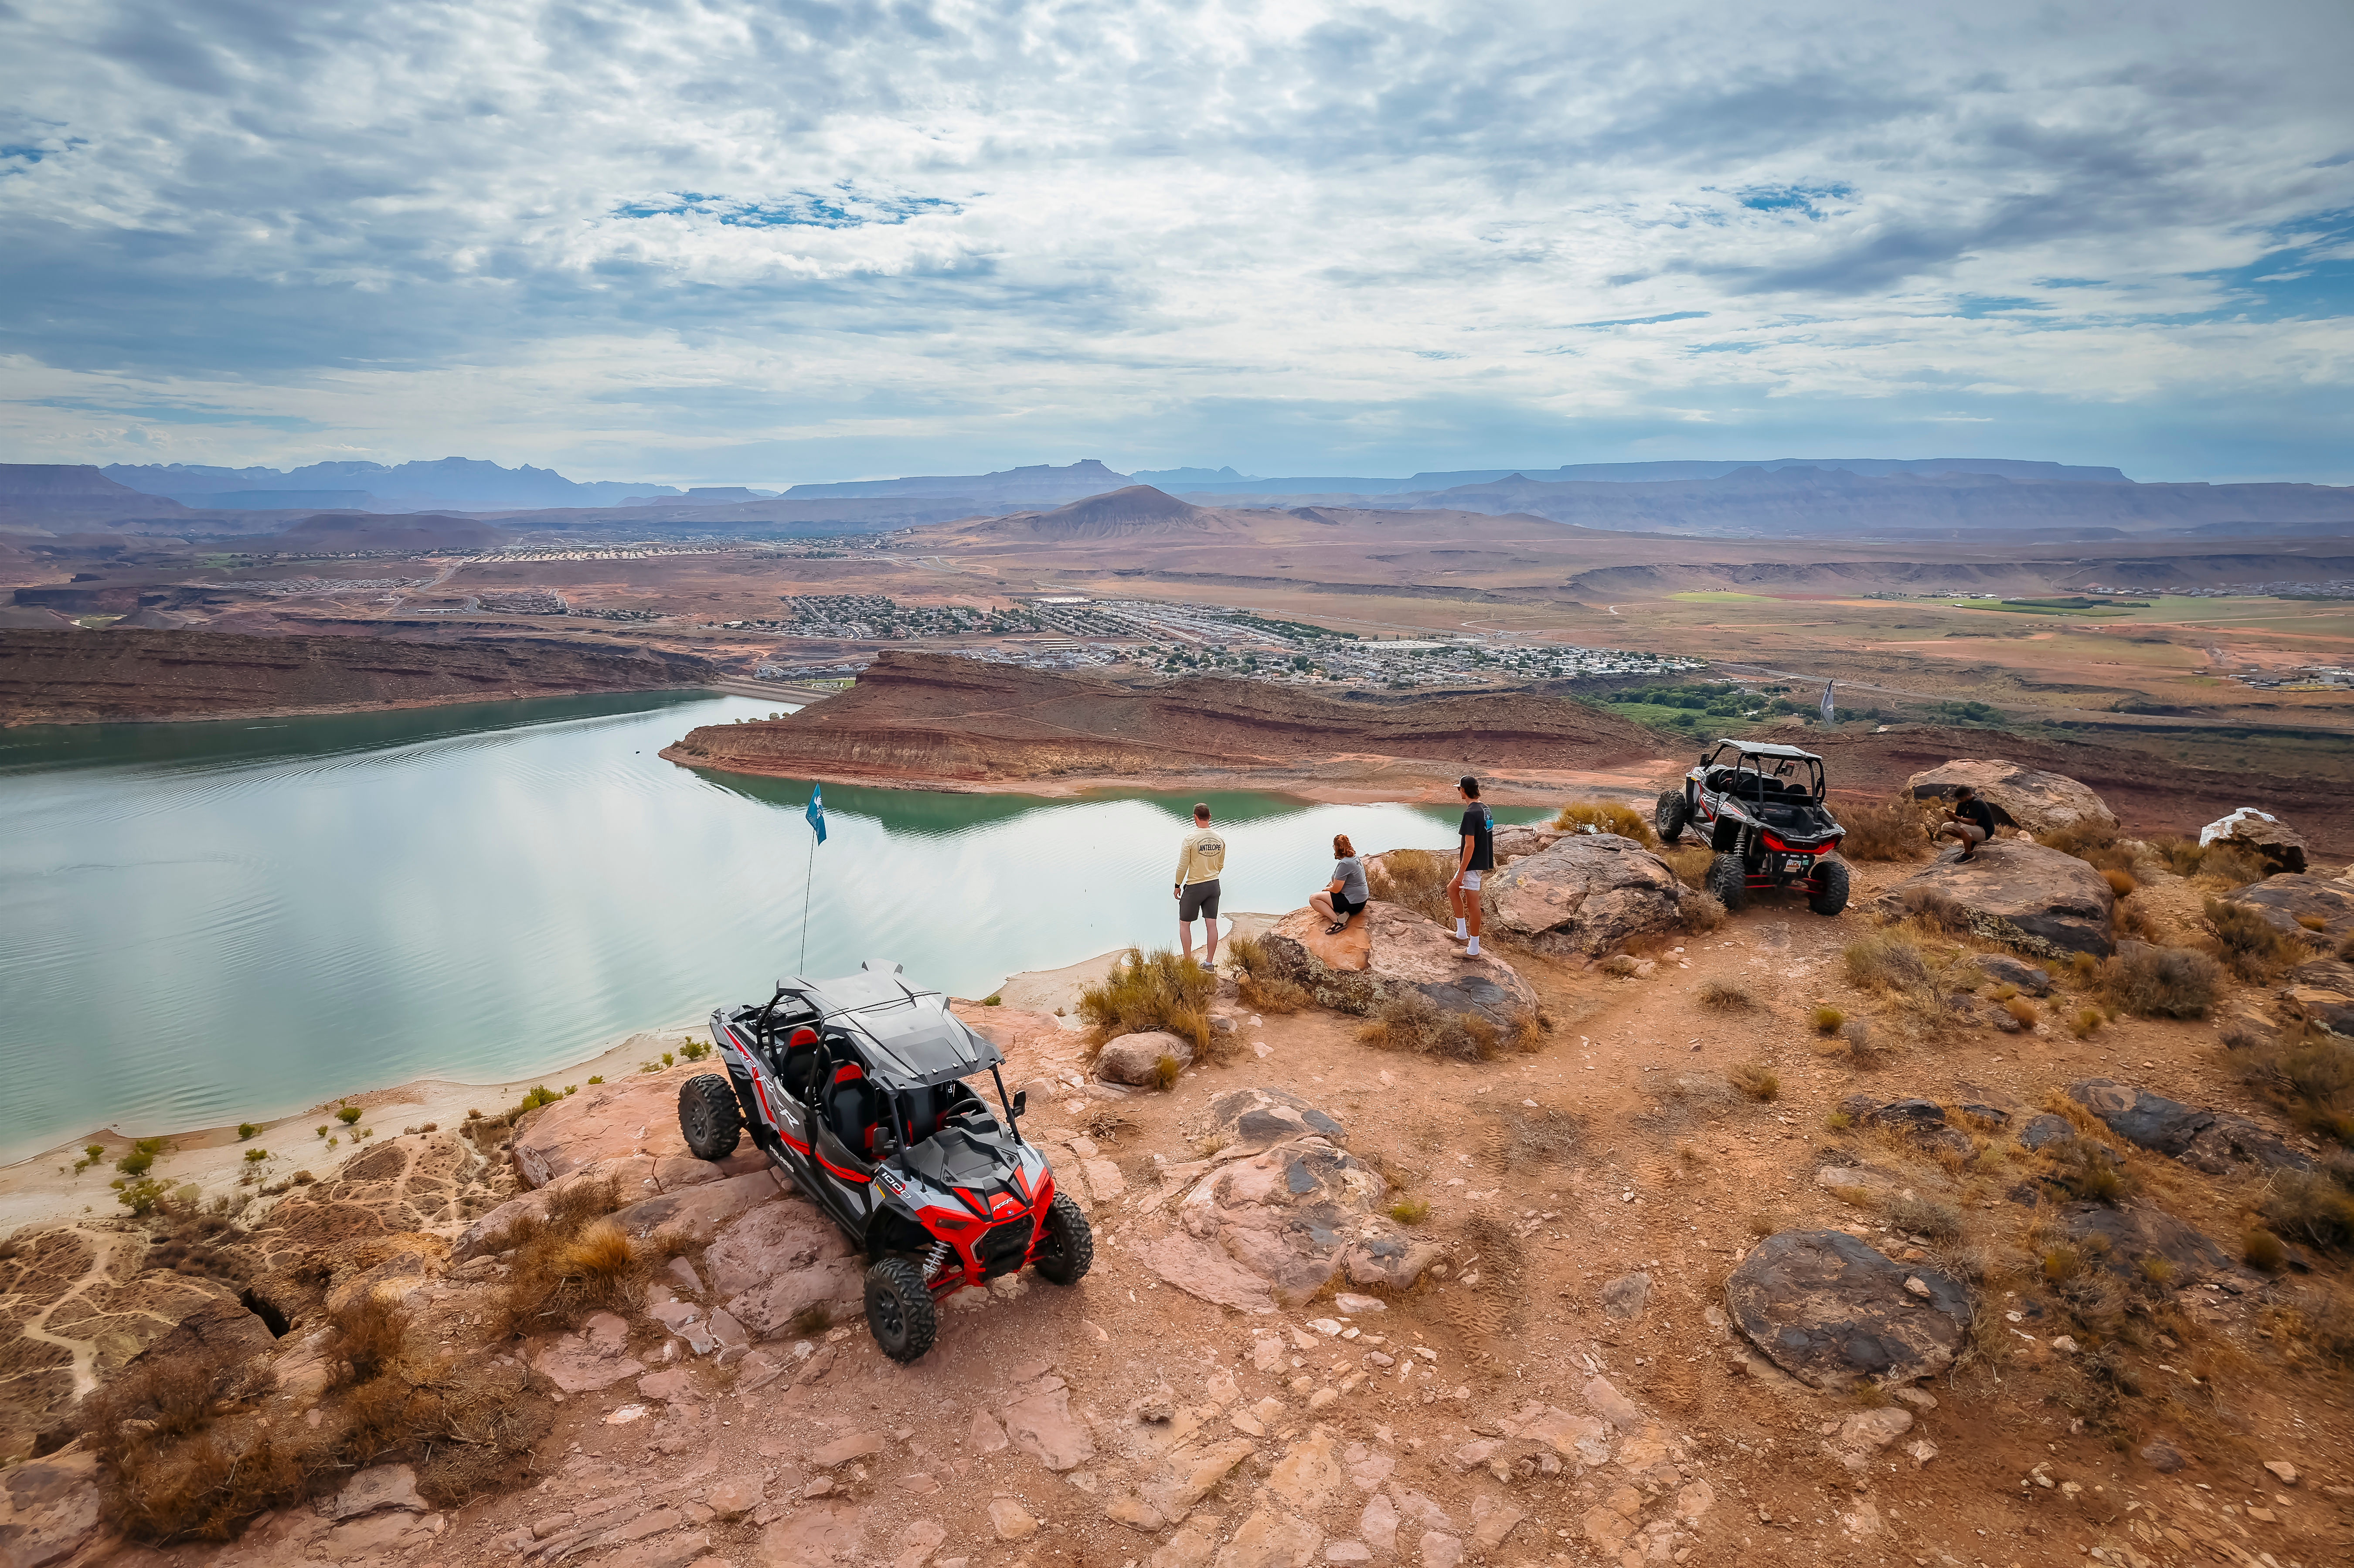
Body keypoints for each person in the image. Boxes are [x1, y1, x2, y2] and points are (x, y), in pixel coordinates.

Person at [1174, 802, 1227, 965]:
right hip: (1213, 885)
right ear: (1209, 817)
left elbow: (1183, 866)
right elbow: (1220, 865)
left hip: (1195, 887)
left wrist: (1177, 885)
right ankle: (1209, 963)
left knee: (1184, 924)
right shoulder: (1220, 839)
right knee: (1212, 925)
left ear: (1195, 817)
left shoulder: (1190, 839)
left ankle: (1188, 962)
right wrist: (1212, 874)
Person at [1449, 775, 1493, 958]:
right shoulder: (1486, 809)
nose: (1459, 791)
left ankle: (1473, 949)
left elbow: (1470, 846)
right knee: (1452, 890)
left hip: (1472, 865)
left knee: (1473, 905)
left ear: (1463, 790)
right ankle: (1461, 934)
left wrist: (1462, 871)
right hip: (1481, 862)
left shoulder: (1470, 814)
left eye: (1459, 789)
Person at [1310, 833, 1370, 935]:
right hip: (1362, 901)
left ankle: (1338, 921)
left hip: (1353, 904)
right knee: (1326, 896)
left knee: (1314, 898)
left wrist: (1328, 889)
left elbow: (1336, 890)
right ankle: (1342, 912)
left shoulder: (1345, 864)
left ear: (1336, 848)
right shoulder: (1354, 857)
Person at [1934, 784, 1997, 862]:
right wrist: (1951, 816)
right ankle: (1972, 841)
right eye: (1959, 800)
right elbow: (1956, 821)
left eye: (1961, 799)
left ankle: (1968, 854)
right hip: (1973, 828)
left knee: (1964, 828)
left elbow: (1972, 822)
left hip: (1985, 831)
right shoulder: (1962, 803)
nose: (1960, 801)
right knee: (1945, 827)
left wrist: (1956, 817)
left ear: (1968, 795)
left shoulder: (1976, 803)